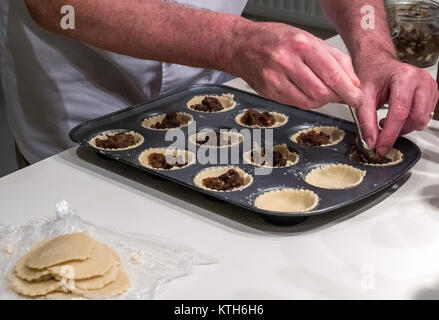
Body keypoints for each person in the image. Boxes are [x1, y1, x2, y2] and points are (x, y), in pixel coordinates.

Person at [0, 0, 437, 165]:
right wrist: (232, 41)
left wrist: (373, 50)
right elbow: (56, 4)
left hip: (216, 99)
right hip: (79, 94)